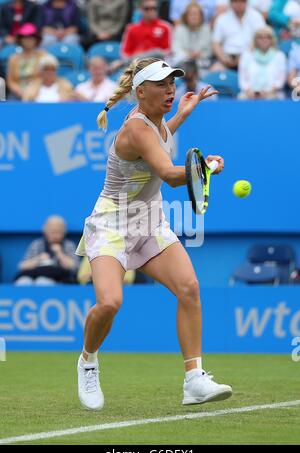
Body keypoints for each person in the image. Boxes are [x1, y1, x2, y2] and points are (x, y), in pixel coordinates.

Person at [75, 56, 232, 410]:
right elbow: (170, 174)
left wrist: (183, 114)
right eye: (162, 84)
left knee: (189, 287)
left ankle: (194, 379)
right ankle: (87, 360)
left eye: (173, 83)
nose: (171, 90)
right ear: (140, 91)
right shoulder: (136, 129)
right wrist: (203, 167)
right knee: (110, 303)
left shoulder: (156, 123)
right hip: (111, 224)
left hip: (149, 221)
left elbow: (162, 137)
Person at [15, 215, 79, 285]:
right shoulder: (37, 244)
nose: (55, 235)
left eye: (58, 232)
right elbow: (22, 266)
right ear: (45, 230)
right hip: (35, 275)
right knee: (23, 281)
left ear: (64, 232)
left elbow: (74, 267)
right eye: (52, 232)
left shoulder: (68, 245)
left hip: (59, 280)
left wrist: (60, 254)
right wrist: (38, 259)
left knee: (42, 281)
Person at [212, 0, 265, 71]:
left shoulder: (256, 17)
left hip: (251, 58)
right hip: (227, 57)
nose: (238, 4)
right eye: (235, 1)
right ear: (230, 3)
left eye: (242, 1)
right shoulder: (222, 19)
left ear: (246, 2)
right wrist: (223, 58)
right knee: (215, 70)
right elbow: (216, 43)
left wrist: (245, 57)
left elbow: (263, 38)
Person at [238, 26, 287, 99]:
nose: (264, 40)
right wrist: (249, 91)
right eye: (260, 37)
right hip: (250, 94)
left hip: (273, 94)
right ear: (255, 40)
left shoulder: (279, 56)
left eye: (267, 37)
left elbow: (280, 80)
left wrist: (268, 92)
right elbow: (242, 79)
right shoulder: (247, 55)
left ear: (272, 39)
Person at [6, 23, 47, 100]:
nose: (28, 40)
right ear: (20, 40)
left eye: (31, 38)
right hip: (17, 94)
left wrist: (32, 91)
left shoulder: (43, 56)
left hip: (37, 92)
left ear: (36, 40)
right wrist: (19, 91)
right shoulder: (13, 58)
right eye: (25, 38)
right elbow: (10, 81)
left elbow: (45, 77)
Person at [172, 2, 212, 74]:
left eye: (196, 14)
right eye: (191, 14)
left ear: (201, 16)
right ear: (186, 16)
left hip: (202, 64)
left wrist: (200, 54)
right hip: (182, 63)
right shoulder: (179, 29)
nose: (194, 17)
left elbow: (209, 50)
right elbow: (176, 49)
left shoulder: (206, 29)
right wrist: (188, 55)